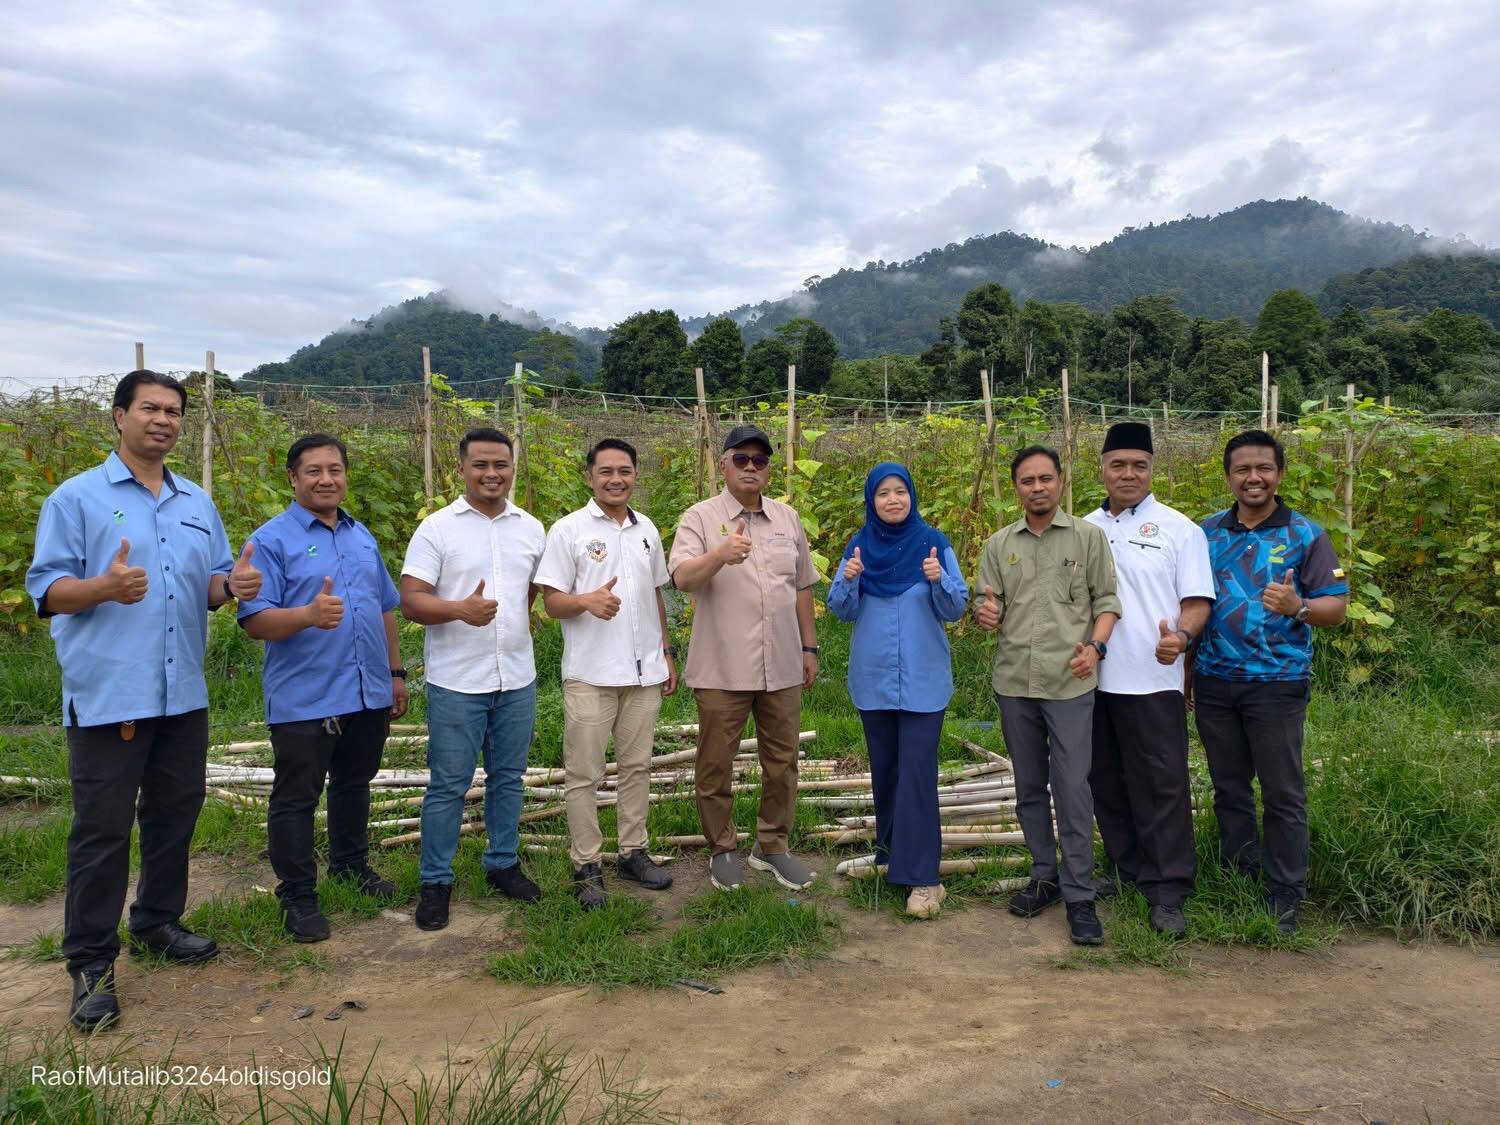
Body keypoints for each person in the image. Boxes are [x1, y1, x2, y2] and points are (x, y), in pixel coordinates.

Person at [25, 370, 262, 1031]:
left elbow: (211, 584)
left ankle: (157, 920)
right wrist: (101, 587)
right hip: (111, 695)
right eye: (150, 408)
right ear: (118, 416)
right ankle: (90, 963)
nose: (163, 420)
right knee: (102, 832)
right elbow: (46, 591)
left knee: (173, 815)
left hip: (181, 692)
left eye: (174, 411)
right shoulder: (76, 499)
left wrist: (233, 586)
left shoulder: (195, 502)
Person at [237, 434, 407, 943]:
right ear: (293, 478)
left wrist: (395, 674)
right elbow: (255, 621)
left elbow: (384, 607)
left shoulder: (361, 535)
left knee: (355, 783)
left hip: (366, 690)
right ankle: (297, 893)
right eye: (314, 471)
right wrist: (307, 615)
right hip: (306, 697)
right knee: (296, 797)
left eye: (335, 470)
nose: (326, 479)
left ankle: (350, 866)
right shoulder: (270, 541)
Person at [1193, 430, 1348, 934]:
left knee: (1282, 792)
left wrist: (1298, 606)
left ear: (1279, 474)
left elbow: (1337, 608)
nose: (1253, 478)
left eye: (1263, 468)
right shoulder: (1206, 533)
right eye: (1242, 469)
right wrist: (1186, 675)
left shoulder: (1306, 535)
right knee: (1229, 787)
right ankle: (1239, 878)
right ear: (1228, 477)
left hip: (1277, 683)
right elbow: (1193, 604)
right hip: (1214, 680)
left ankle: (1285, 894)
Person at [400, 428, 546, 929]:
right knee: (449, 784)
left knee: (508, 778)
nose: (491, 473)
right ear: (461, 469)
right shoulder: (437, 529)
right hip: (457, 680)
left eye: (500, 464)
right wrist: (460, 609)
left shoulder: (531, 528)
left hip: (516, 677)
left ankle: (502, 863)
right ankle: (435, 880)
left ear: (512, 469)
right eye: (480, 464)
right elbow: (411, 601)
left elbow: (529, 594)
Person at [975, 445, 1120, 945]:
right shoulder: (1000, 544)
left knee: (1073, 788)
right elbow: (989, 604)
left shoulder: (1087, 538)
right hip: (1015, 682)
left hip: (1069, 683)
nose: (1037, 487)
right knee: (1029, 785)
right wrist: (986, 614)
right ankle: (1044, 875)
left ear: (1061, 481)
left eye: (1045, 478)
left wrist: (1096, 648)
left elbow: (1107, 602)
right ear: (1016, 487)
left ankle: (1080, 894)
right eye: (1027, 480)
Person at [669, 425, 819, 892]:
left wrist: (809, 647)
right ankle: (722, 848)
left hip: (783, 663)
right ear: (724, 465)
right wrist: (720, 555)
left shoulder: (787, 519)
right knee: (716, 762)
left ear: (769, 469)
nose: (751, 467)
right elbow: (682, 579)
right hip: (722, 665)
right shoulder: (700, 517)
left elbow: (802, 586)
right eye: (741, 459)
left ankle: (772, 845)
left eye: (760, 460)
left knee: (783, 759)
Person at [1083, 422, 1214, 937]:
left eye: (1139, 465)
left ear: (1152, 468)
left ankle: (1169, 887)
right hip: (1092, 681)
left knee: (1162, 785)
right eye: (1118, 464)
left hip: (1154, 681)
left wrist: (1180, 638)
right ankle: (1126, 867)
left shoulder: (1180, 530)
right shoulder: (1084, 528)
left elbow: (1197, 602)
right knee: (1106, 781)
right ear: (1102, 469)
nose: (1128, 474)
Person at [535, 438, 677, 909]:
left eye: (625, 471)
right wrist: (586, 602)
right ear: (590, 477)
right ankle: (586, 864)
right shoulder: (568, 530)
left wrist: (666, 652)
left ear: (636, 475)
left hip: (643, 673)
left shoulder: (646, 529)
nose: (616, 480)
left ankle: (633, 852)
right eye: (606, 472)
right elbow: (551, 602)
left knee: (637, 767)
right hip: (591, 674)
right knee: (584, 773)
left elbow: (656, 594)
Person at [827, 463, 968, 918]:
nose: (893, 499)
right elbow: (841, 610)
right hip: (874, 680)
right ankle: (890, 857)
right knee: (886, 771)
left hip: (924, 681)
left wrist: (938, 578)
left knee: (917, 776)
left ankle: (925, 879)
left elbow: (956, 607)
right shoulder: (859, 546)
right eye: (883, 493)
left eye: (900, 491)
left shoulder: (934, 543)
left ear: (912, 496)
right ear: (872, 500)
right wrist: (849, 578)